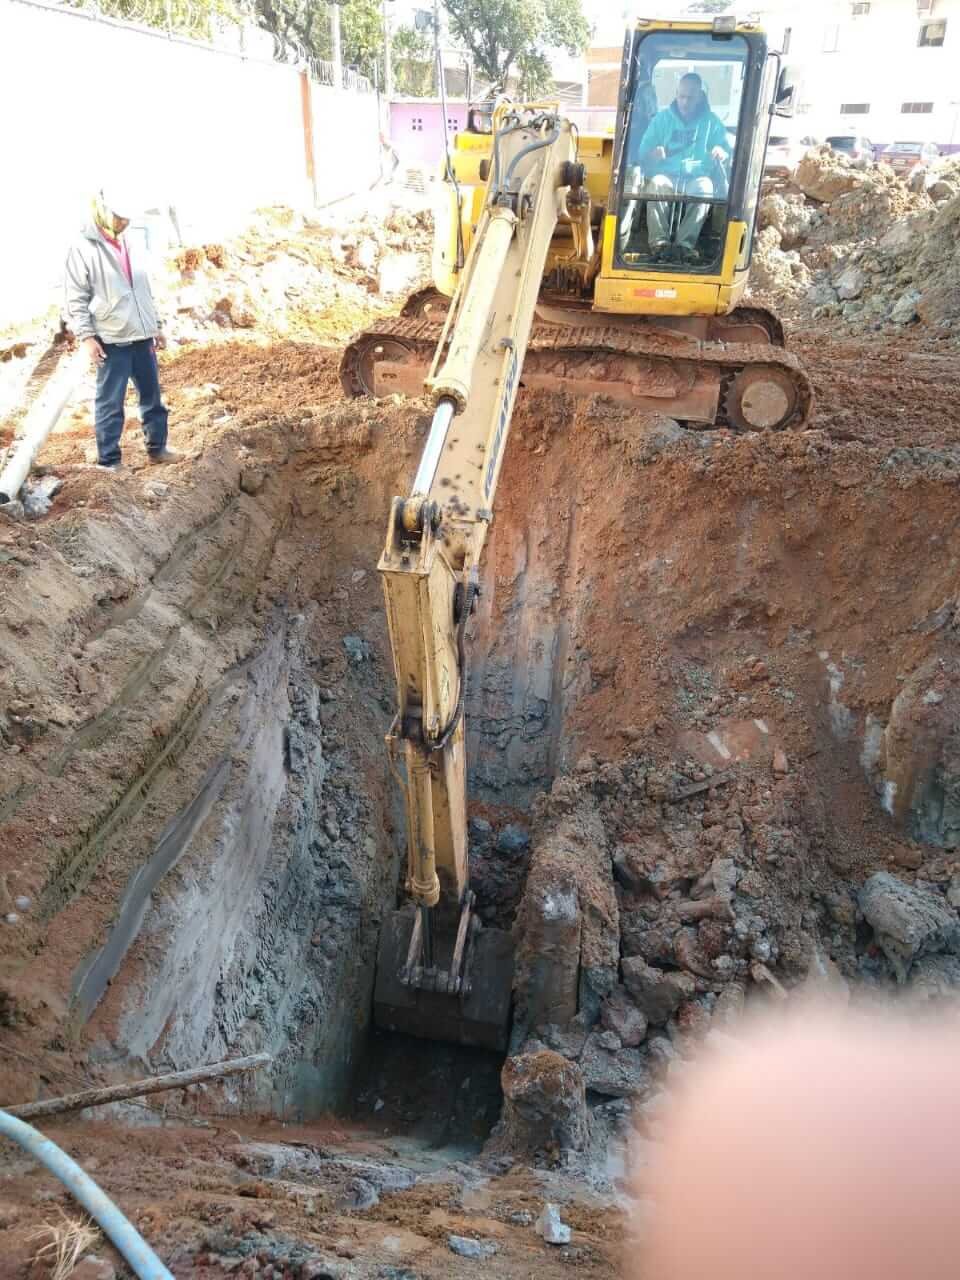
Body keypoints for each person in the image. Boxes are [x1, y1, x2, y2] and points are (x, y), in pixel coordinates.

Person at [64, 189, 179, 472]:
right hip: (112, 339)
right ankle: (109, 461)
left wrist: (156, 325)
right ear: (104, 212)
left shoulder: (131, 242)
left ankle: (157, 448)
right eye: (119, 218)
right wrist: (87, 337)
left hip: (142, 336)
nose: (124, 223)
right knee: (110, 403)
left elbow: (143, 288)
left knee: (153, 398)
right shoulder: (83, 248)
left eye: (127, 218)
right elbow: (75, 297)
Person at [633, 72, 731, 263]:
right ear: (676, 94)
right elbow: (642, 155)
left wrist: (721, 151)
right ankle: (658, 244)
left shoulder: (712, 123)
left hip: (696, 178)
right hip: (667, 175)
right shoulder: (661, 120)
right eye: (681, 96)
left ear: (700, 96)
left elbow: (726, 150)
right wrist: (652, 155)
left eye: (690, 98)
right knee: (657, 184)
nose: (684, 102)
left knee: (705, 188)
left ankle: (684, 246)